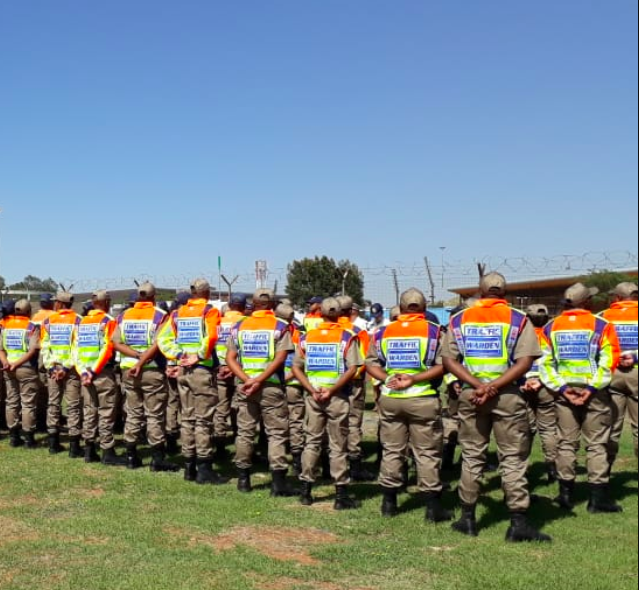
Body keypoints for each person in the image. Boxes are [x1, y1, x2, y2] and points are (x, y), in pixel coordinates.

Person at [442, 272, 551, 543]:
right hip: (508, 396)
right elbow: (524, 362)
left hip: (471, 395)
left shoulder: (459, 319)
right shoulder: (517, 319)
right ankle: (518, 523)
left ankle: (467, 518)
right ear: (504, 292)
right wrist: (494, 386)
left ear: (480, 290)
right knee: (513, 458)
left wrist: (478, 385)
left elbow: (449, 360)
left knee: (472, 456)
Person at [366, 289, 452, 523]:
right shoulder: (435, 332)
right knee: (426, 452)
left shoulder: (382, 332)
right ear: (424, 309)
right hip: (422, 397)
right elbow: (445, 365)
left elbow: (370, 364)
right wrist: (415, 378)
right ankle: (433, 507)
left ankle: (389, 503)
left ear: (401, 309)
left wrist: (386, 379)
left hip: (391, 397)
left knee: (392, 449)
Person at [540, 283, 622, 514]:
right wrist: (591, 389)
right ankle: (597, 498)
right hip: (593, 391)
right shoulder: (602, 325)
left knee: (566, 442)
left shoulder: (551, 326)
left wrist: (564, 389)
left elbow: (545, 364)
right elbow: (609, 360)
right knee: (596, 444)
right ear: (586, 302)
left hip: (564, 392)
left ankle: (565, 494)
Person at [293, 297, 363, 510]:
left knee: (311, 441)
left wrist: (311, 389)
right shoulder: (347, 336)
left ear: (321, 313)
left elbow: (296, 368)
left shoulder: (307, 337)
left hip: (314, 396)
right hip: (337, 396)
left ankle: (306, 491)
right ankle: (340, 494)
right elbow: (353, 368)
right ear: (340, 313)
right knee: (337, 445)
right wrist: (331, 390)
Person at [226, 288, 296, 496]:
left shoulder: (239, 326)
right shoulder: (281, 326)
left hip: (245, 387)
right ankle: (278, 484)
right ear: (273, 305)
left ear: (253, 305)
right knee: (276, 434)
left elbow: (230, 358)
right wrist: (259, 380)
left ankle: (243, 480)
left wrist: (248, 380)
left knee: (245, 432)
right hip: (271, 386)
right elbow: (281, 358)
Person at [158, 279, 227, 485]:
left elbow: (162, 339)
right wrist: (199, 354)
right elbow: (212, 335)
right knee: (203, 420)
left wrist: (178, 355)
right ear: (205, 293)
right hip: (200, 369)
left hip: (183, 370)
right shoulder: (209, 311)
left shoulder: (177, 313)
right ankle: (204, 468)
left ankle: (189, 466)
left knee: (187, 417)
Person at [113, 282, 178, 472]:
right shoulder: (160, 316)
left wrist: (134, 356)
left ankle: (131, 456)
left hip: (128, 369)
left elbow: (115, 343)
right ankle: (157, 458)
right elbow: (160, 343)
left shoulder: (124, 316)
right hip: (152, 370)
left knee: (133, 412)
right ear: (154, 296)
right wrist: (142, 359)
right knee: (155, 414)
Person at [73, 291, 127, 466]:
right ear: (106, 302)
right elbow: (107, 349)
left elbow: (74, 351)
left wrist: (83, 372)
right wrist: (94, 372)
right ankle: (107, 450)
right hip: (101, 373)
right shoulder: (108, 321)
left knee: (89, 410)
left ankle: (89, 449)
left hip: (85, 374)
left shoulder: (81, 323)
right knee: (106, 411)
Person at [337, 295, 375, 481]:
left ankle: (330, 465)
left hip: (329, 384)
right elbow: (367, 358)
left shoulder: (320, 330)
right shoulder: (358, 332)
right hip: (353, 381)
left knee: (331, 423)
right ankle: (355, 466)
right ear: (351, 310)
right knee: (353, 422)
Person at [40, 291, 82, 456]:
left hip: (54, 369)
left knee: (53, 404)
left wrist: (51, 367)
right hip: (69, 370)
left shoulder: (48, 321)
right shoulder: (79, 321)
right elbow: (77, 348)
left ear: (60, 303)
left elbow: (45, 346)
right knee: (73, 406)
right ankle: (74, 446)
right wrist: (65, 368)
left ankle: (53, 443)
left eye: (55, 302)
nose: (54, 304)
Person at [601, 282, 638, 465]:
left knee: (611, 426)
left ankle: (604, 473)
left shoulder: (604, 317)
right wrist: (634, 357)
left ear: (616, 298)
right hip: (637, 373)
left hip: (612, 373)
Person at [521, 304, 558, 484]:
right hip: (546, 386)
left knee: (523, 430)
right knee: (548, 429)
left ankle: (522, 470)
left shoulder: (520, 335)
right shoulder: (551, 335)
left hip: (522, 385)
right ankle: (552, 468)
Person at [0, 300, 40, 448]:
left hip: (8, 367)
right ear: (29, 312)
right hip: (25, 367)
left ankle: (13, 437)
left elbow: (1, 349)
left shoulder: (5, 326)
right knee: (28, 403)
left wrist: (6, 363)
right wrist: (17, 363)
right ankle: (29, 439)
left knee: (11, 402)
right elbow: (32, 350)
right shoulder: (31, 326)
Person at [214, 294, 248, 459]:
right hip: (239, 370)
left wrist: (222, 365)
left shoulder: (217, 322)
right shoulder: (245, 323)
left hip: (219, 368)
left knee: (221, 408)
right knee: (241, 407)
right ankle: (240, 442)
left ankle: (219, 444)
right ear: (243, 307)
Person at [276, 302, 305, 477]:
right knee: (296, 423)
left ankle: (279, 457)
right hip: (294, 384)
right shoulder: (301, 336)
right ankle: (297, 459)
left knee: (278, 423)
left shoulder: (274, 333)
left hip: (276, 383)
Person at [165, 291, 191, 455]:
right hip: (187, 365)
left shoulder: (171, 318)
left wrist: (169, 364)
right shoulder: (193, 318)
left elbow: (164, 341)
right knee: (187, 404)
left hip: (172, 363)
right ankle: (188, 441)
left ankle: (171, 437)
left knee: (172, 402)